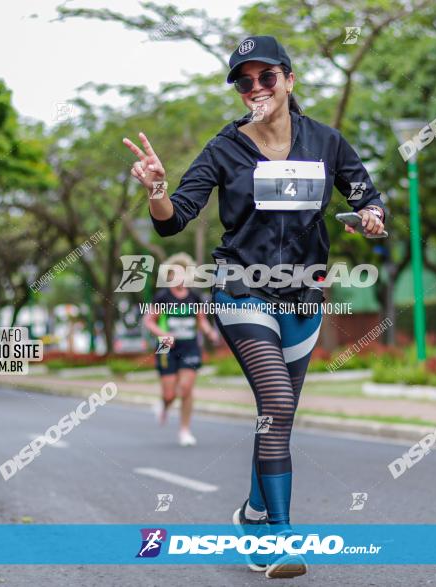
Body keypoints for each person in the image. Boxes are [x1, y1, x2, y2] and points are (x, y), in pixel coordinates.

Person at [124, 35, 387, 578]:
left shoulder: (327, 142)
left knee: (278, 415)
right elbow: (174, 219)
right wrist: (155, 189)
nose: (256, 88)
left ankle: (252, 513)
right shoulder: (225, 149)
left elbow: (366, 195)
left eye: (266, 77)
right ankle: (279, 539)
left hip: (304, 294)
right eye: (244, 81)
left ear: (289, 80)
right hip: (240, 288)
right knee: (275, 398)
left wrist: (372, 216)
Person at [143, 253, 219, 447]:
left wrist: (210, 333)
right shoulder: (162, 297)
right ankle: (164, 404)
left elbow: (201, 321)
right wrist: (162, 333)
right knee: (170, 394)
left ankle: (185, 430)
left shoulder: (195, 297)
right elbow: (148, 321)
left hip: (190, 346)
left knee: (185, 389)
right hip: (166, 346)